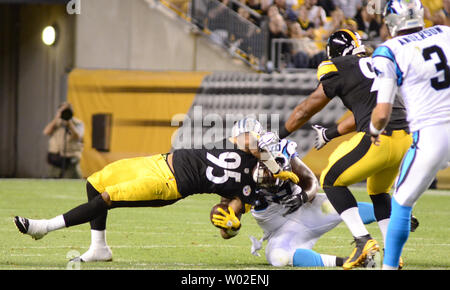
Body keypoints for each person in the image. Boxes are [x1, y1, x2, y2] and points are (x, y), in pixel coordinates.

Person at [14, 118, 299, 262]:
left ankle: (45, 227)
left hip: (168, 184)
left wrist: (231, 226)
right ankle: (99, 248)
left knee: (108, 197)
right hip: (159, 161)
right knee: (95, 182)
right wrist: (274, 166)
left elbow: (226, 219)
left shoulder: (249, 193)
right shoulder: (249, 146)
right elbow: (253, 141)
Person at [278, 29, 412, 269]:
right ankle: (393, 255)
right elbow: (367, 109)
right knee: (378, 190)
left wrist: (278, 134)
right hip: (404, 138)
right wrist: (330, 133)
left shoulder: (337, 67)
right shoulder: (379, 61)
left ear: (334, 52)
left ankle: (363, 242)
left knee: (330, 179)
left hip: (380, 138)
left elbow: (306, 109)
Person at [369, 0, 450, 270]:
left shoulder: (388, 50)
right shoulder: (445, 32)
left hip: (432, 134)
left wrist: (373, 130)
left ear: (392, 21)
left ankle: (390, 267)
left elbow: (382, 112)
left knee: (401, 202)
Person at [43, 102, 84, 179]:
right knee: (52, 181)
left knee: (73, 181)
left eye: (66, 111)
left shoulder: (77, 123)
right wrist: (56, 118)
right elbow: (46, 132)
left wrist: (69, 123)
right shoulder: (56, 123)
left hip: (71, 158)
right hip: (56, 158)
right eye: (62, 111)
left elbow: (78, 136)